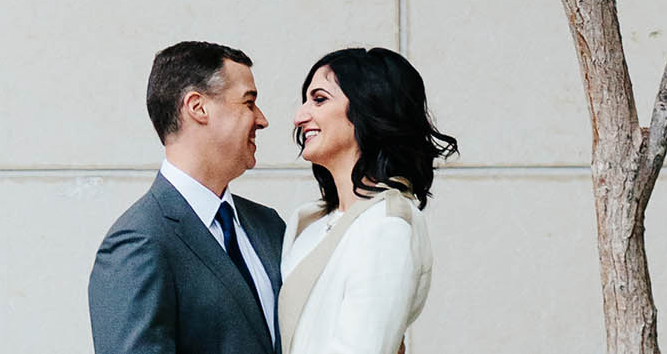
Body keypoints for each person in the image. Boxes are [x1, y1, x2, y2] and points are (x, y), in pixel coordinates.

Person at [90, 41, 287, 354]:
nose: (262, 119)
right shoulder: (139, 242)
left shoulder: (269, 226)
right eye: (248, 103)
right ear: (198, 107)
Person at [278, 47, 458, 354]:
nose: (299, 117)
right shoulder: (309, 222)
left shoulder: (386, 226)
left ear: (367, 108)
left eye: (319, 99)